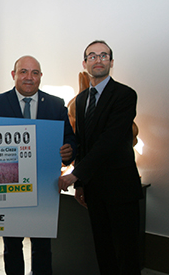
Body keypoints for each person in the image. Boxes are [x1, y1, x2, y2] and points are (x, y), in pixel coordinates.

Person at [0, 55, 76, 275]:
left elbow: (70, 139)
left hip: (44, 186)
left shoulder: (56, 104)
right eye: (23, 71)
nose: (29, 77)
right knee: (12, 245)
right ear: (14, 75)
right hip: (8, 186)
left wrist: (68, 151)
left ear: (41, 77)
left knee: (42, 245)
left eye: (35, 73)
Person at [58, 40, 143, 275]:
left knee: (127, 253)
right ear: (85, 63)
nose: (98, 60)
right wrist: (82, 184)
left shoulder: (125, 95)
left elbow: (110, 141)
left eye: (103, 56)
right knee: (103, 250)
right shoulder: (82, 99)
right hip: (95, 191)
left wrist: (75, 175)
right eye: (92, 56)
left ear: (111, 62)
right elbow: (84, 145)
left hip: (121, 189)